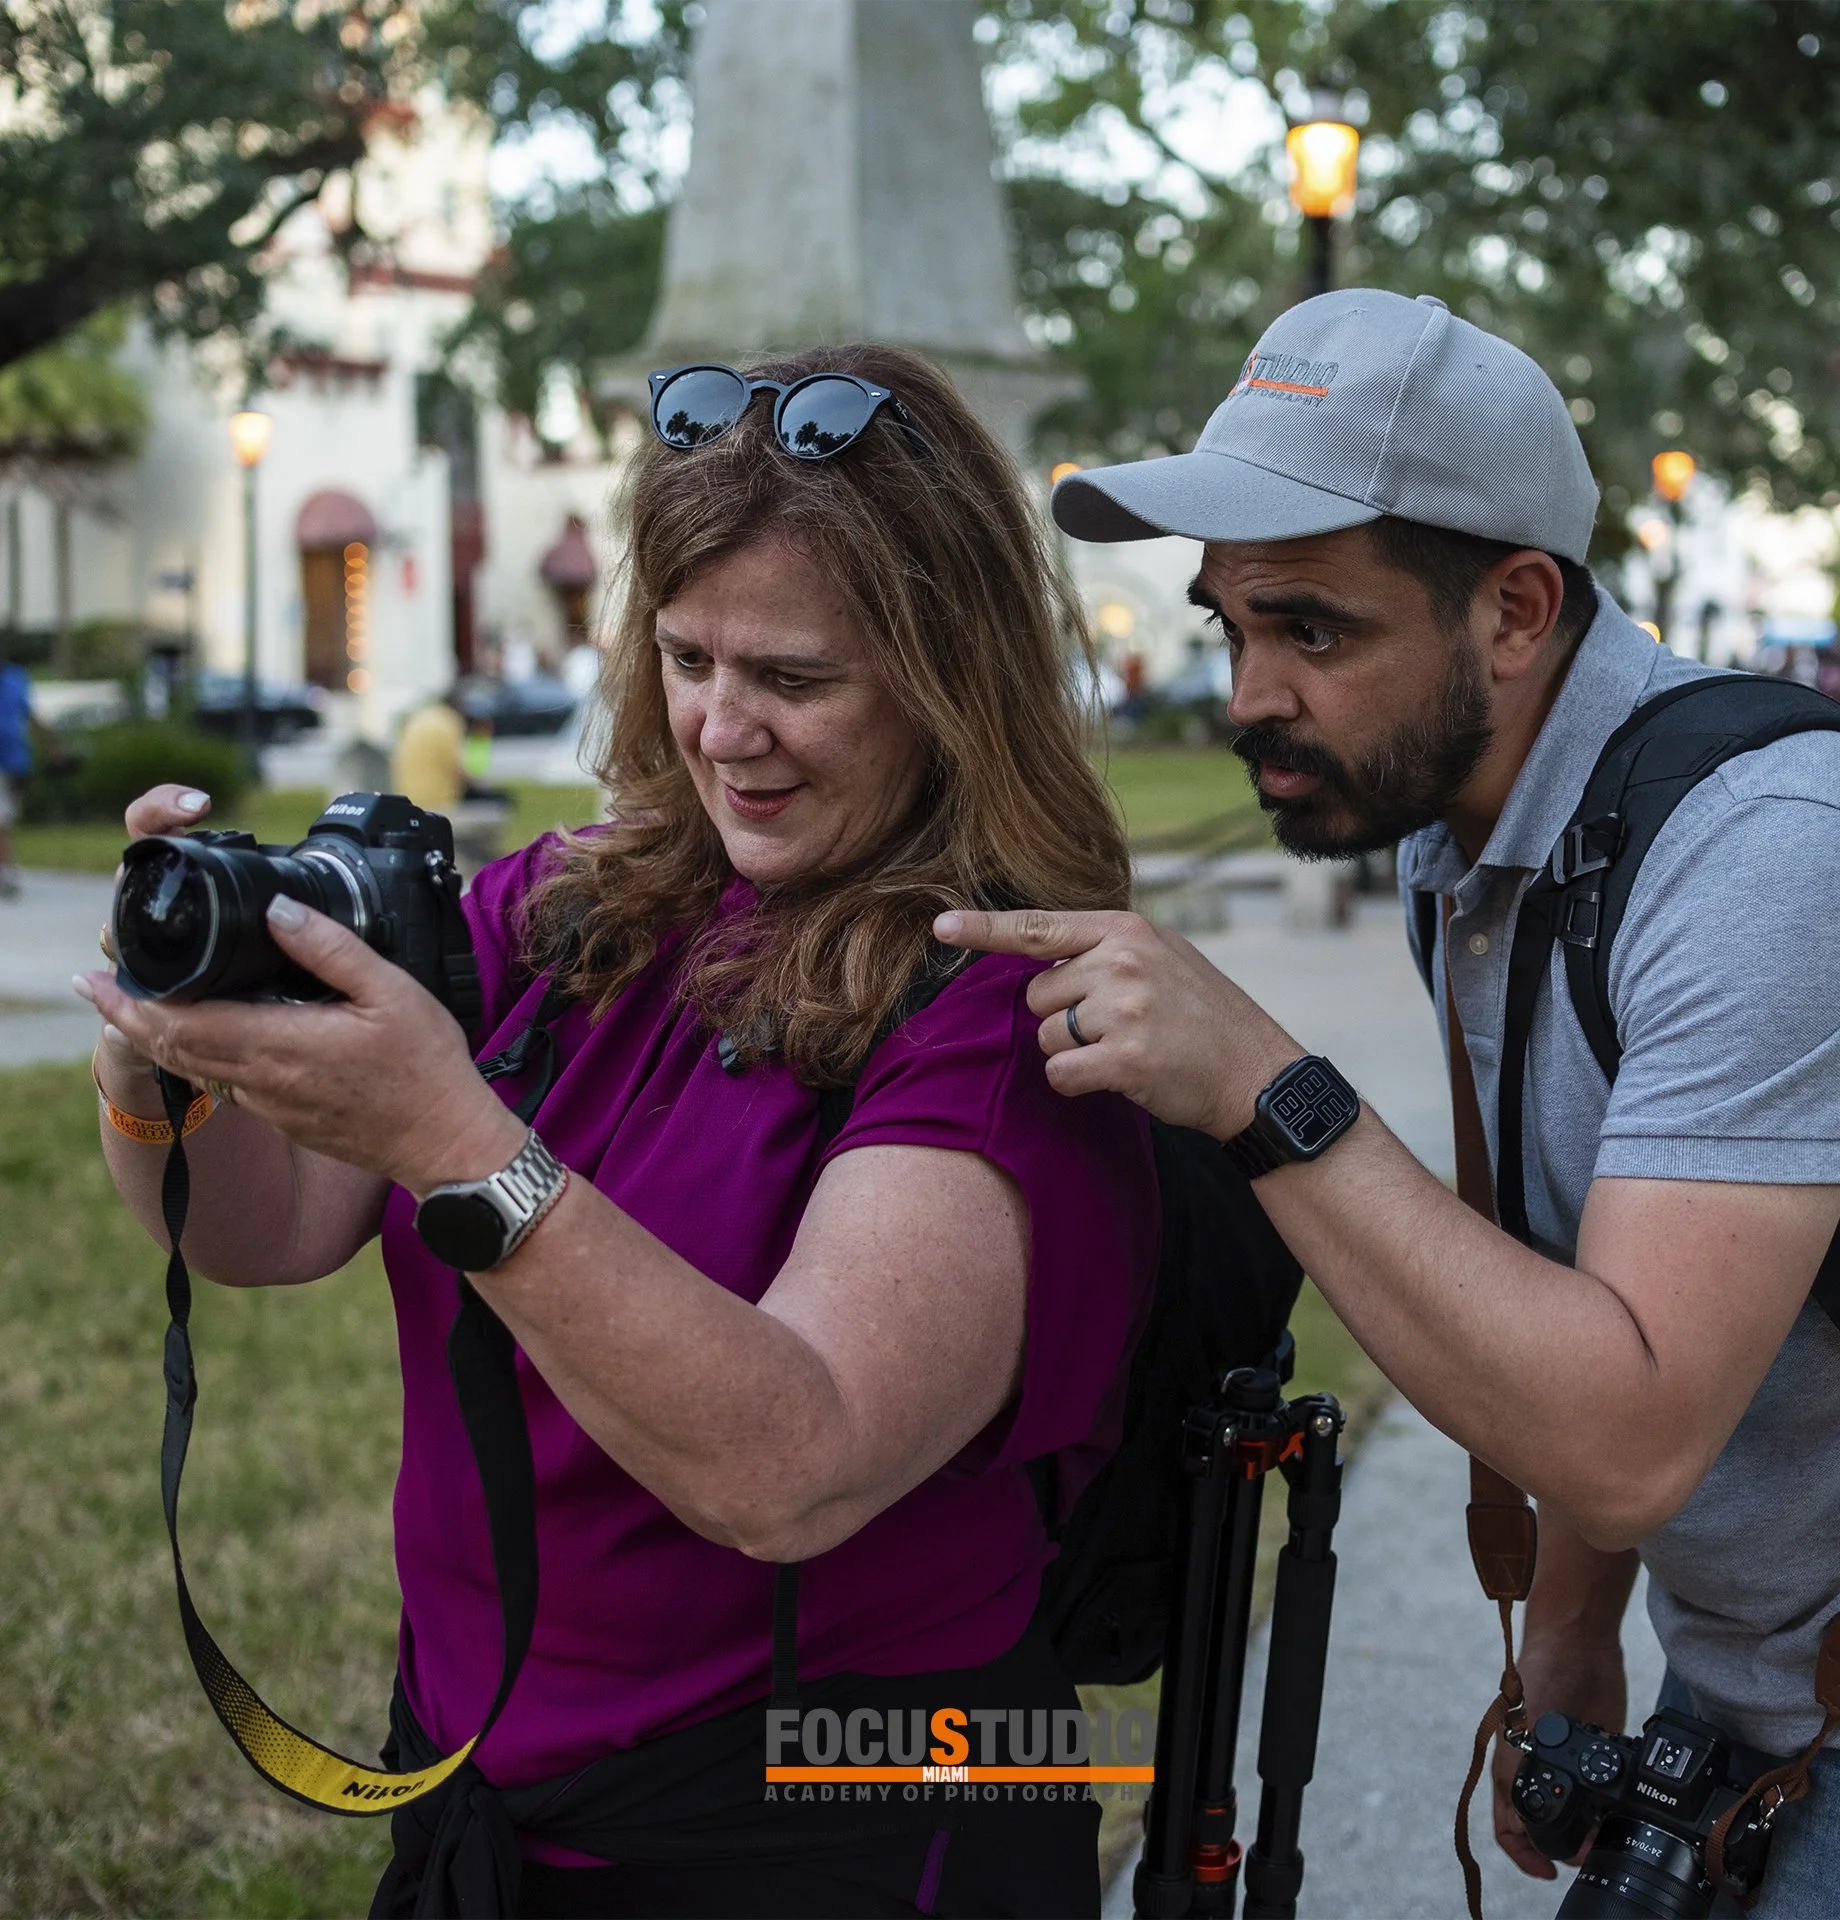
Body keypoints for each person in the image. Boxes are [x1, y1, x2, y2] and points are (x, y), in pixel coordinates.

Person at [77, 344, 1158, 1919]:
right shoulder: (579, 905)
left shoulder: (1003, 1002)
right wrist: (159, 1049)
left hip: (828, 1825)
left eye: (794, 678)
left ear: (946, 682)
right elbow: (264, 1230)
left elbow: (793, 1464)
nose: (725, 727)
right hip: (485, 1794)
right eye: (687, 657)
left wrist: (460, 1148)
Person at [938, 289, 1840, 1916]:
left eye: (1312, 631)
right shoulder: (1466, 846)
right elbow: (1592, 1278)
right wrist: (1576, 1626)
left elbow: (1627, 1436)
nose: (1249, 692)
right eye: (1230, 624)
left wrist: (1261, 1086)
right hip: (1749, 1686)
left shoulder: (1774, 859)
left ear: (1518, 611)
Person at [0, 634, 31, 897]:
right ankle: (8, 874)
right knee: (3, 820)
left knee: (6, 819)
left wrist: (53, 745)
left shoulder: (15, 678)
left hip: (16, 760)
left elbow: (28, 712)